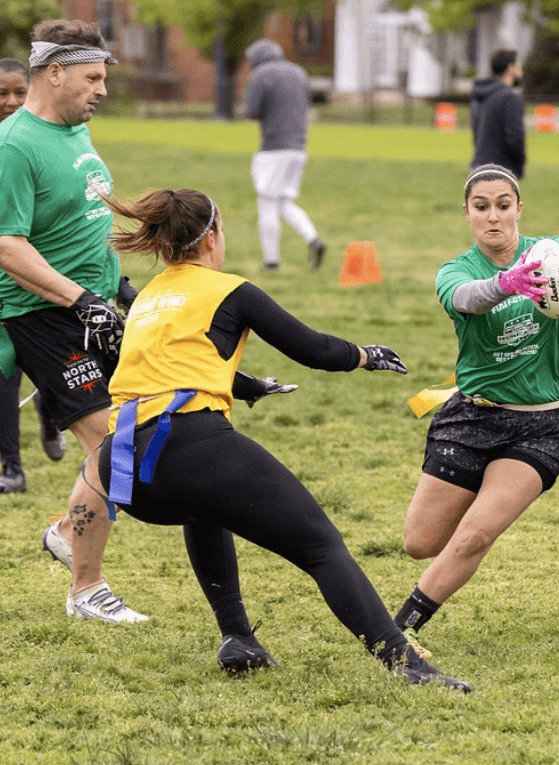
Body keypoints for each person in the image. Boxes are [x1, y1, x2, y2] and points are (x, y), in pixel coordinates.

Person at [86, 187, 469, 690]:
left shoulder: (149, 298)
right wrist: (365, 354)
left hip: (125, 469)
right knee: (321, 547)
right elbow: (312, 348)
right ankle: (407, 664)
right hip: (186, 447)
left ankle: (237, 639)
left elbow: (165, 367)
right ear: (213, 236)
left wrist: (247, 387)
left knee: (207, 504)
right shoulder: (229, 289)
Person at [392, 164, 559, 654]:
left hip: (543, 423)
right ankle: (473, 494)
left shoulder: (548, 251)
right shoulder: (456, 270)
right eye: (481, 207)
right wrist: (509, 283)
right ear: (467, 213)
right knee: (420, 543)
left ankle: (399, 631)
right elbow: (467, 299)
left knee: (475, 535)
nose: (493, 217)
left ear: (518, 209)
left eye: (503, 205)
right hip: (473, 417)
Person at [0, 19, 146, 621]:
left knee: (137, 436)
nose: (102, 91)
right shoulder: (14, 144)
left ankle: (67, 527)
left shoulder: (74, 132)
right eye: (92, 78)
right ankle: (86, 591)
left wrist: (120, 289)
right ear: (54, 73)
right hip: (42, 315)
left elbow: (82, 224)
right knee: (112, 446)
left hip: (91, 309)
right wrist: (79, 300)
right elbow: (8, 245)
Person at [0, 57, 66, 493]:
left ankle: (50, 407)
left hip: (40, 267)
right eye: (0, 95)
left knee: (49, 367)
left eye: (18, 92)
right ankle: (12, 468)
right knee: (4, 373)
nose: (9, 102)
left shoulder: (38, 140)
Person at [243, 38, 325, 271]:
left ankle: (271, 261)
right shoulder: (299, 72)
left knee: (267, 203)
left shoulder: (261, 75)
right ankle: (313, 239)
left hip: (273, 149)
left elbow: (251, 110)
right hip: (299, 147)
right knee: (283, 201)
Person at [470, 50, 526, 179]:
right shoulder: (510, 97)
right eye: (518, 65)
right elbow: (514, 137)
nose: (521, 69)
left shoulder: (480, 95)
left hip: (478, 166)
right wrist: (519, 165)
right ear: (510, 68)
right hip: (502, 168)